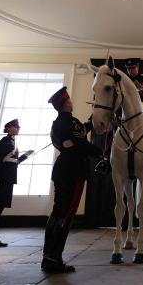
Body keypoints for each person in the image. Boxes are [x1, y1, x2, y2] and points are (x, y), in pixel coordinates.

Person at [43, 86, 102, 273]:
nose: (71, 102)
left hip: (63, 168)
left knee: (58, 212)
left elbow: (80, 133)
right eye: (69, 100)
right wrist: (102, 153)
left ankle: (49, 257)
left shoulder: (59, 123)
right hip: (73, 170)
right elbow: (80, 143)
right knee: (66, 214)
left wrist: (92, 119)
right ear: (66, 103)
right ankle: (55, 259)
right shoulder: (70, 122)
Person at [0, 119, 33, 249]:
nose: (18, 128)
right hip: (1, 180)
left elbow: (13, 163)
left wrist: (26, 156)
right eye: (16, 126)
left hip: (8, 179)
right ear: (9, 128)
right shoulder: (4, 142)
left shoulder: (12, 142)